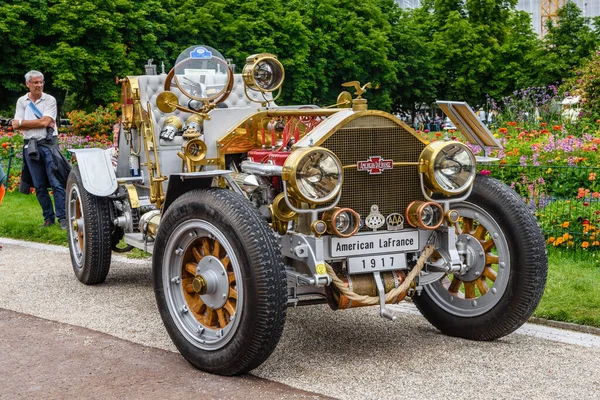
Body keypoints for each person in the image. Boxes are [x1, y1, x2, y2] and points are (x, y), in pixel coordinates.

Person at [12, 70, 70, 229]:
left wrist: (24, 122)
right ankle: (48, 218)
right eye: (35, 82)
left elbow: (45, 122)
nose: (39, 85)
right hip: (30, 145)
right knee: (38, 185)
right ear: (27, 84)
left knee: (56, 182)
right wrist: (34, 123)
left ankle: (63, 219)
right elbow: (15, 125)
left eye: (41, 82)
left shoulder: (50, 100)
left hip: (48, 144)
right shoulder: (21, 101)